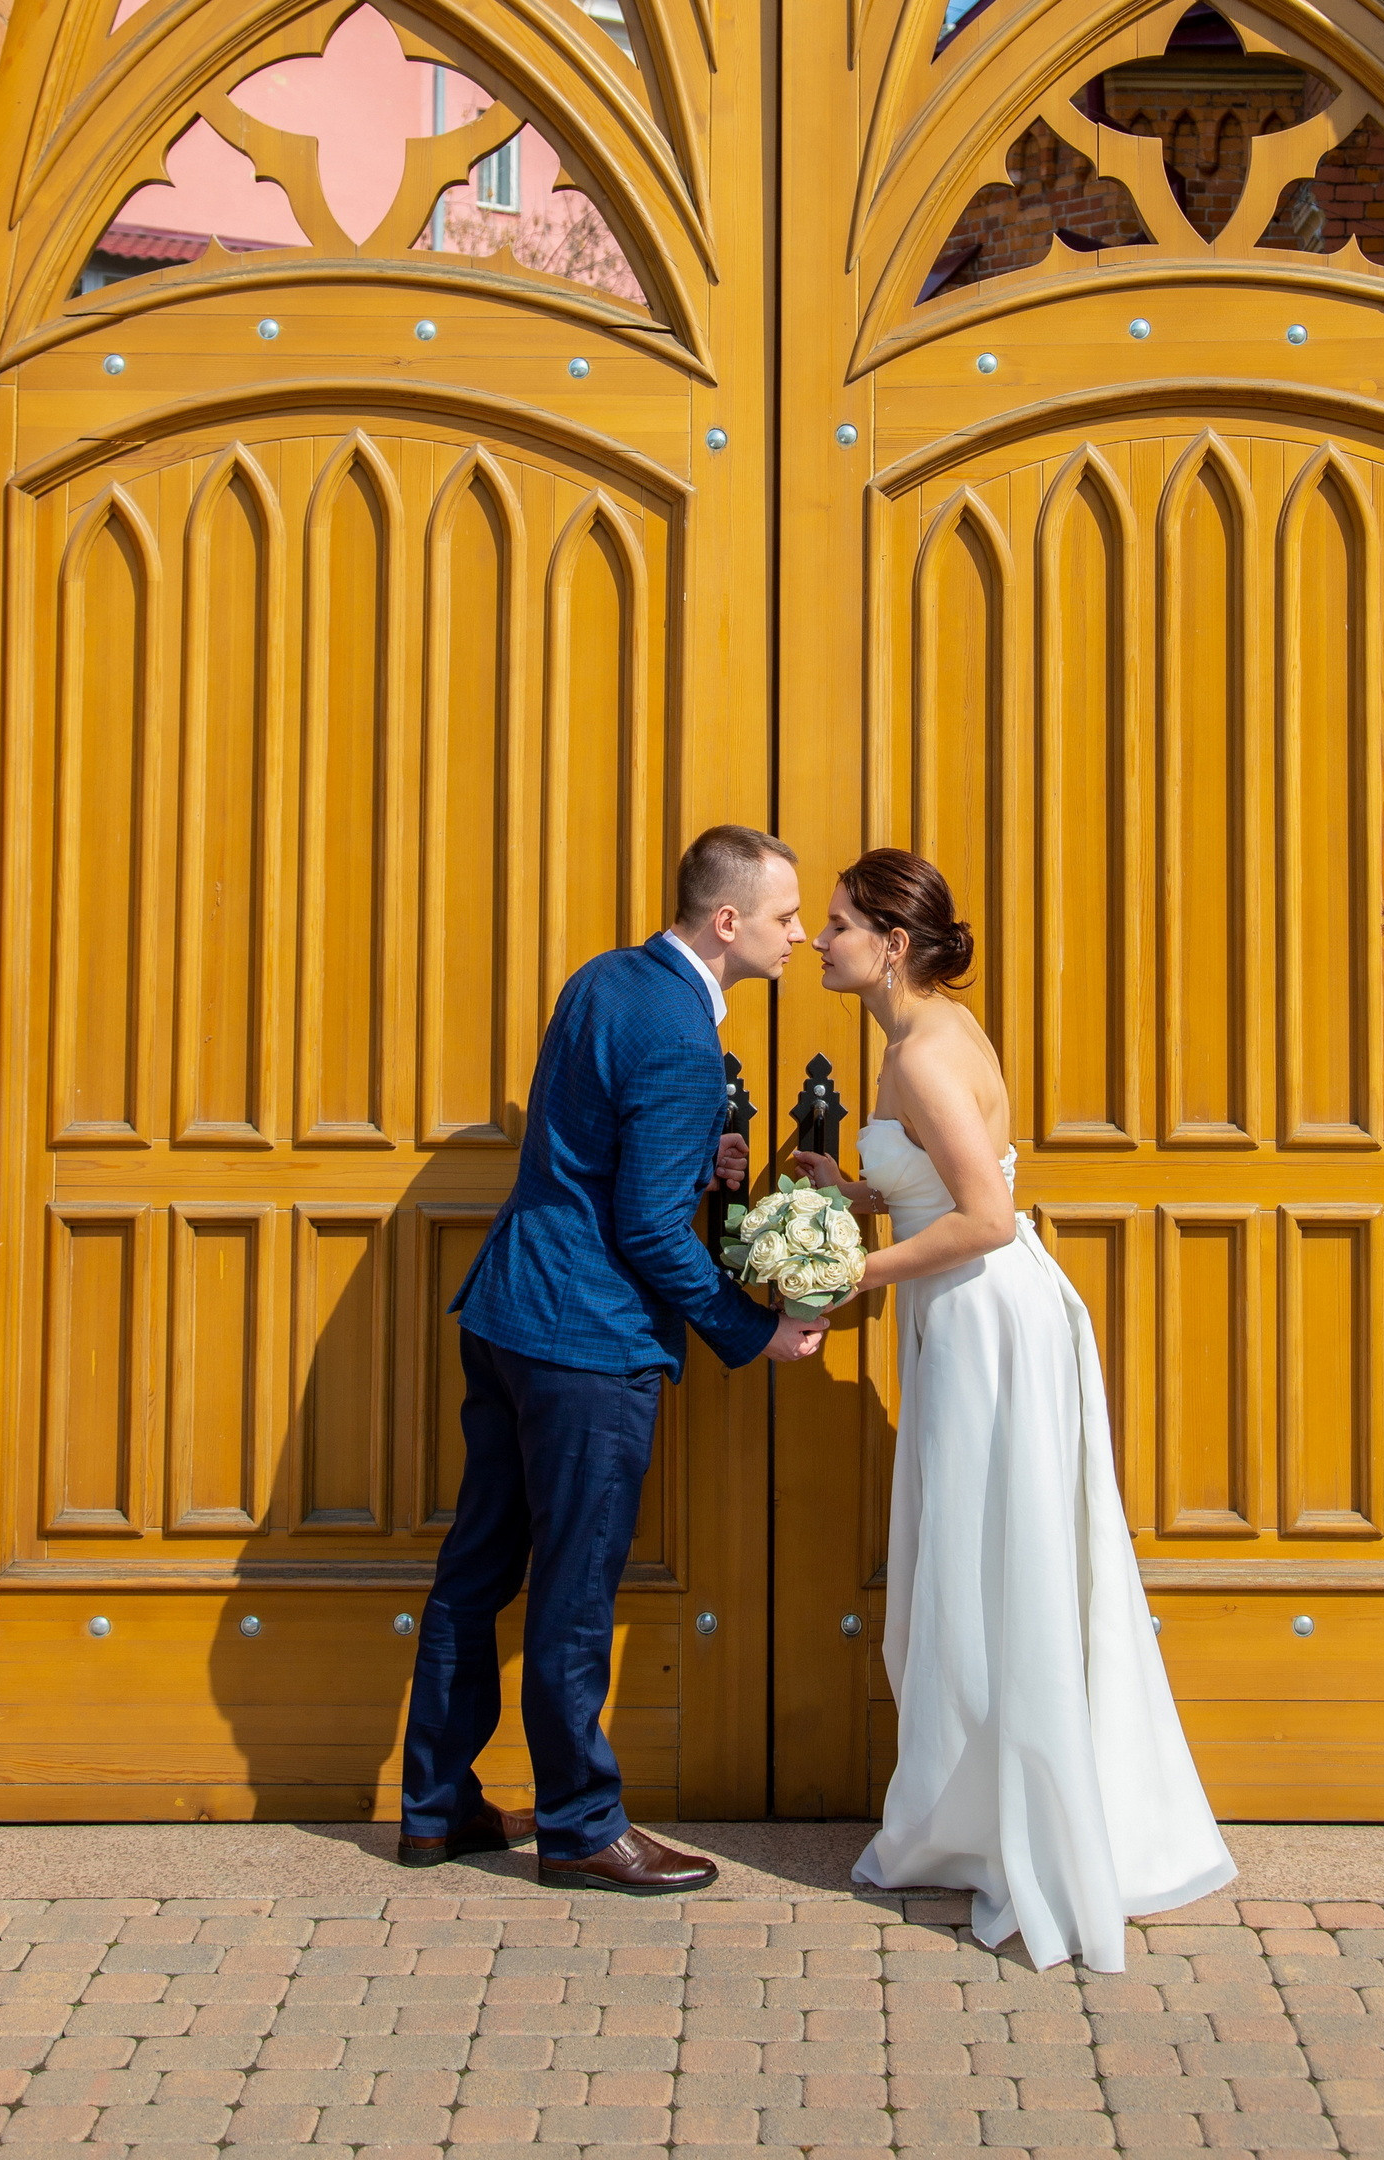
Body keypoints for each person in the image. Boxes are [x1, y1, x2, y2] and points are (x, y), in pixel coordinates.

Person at [803, 848, 1235, 1971]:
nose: (820, 939)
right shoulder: (926, 1032)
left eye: (840, 923)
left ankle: (1015, 1830)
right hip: (974, 1320)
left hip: (987, 1322)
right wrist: (853, 1193)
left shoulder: (928, 1053)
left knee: (992, 1561)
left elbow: (988, 1218)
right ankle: (978, 1811)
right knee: (981, 1558)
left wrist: (859, 1271)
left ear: (889, 946)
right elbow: (948, 1186)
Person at [398, 825, 824, 1895]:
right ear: (726, 922)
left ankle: (434, 1805)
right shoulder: (682, 1037)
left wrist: (695, 1155)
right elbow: (640, 1231)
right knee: (574, 1587)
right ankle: (583, 1827)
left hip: (505, 1312)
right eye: (783, 919)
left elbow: (588, 1145)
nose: (798, 936)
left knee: (476, 1569)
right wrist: (750, 1329)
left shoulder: (605, 978)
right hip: (584, 1346)